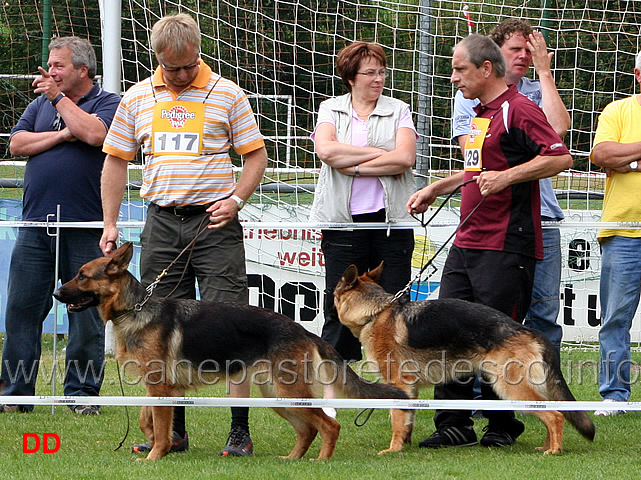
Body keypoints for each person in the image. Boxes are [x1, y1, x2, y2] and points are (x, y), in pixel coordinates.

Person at [100, 13, 267, 456]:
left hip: (216, 225)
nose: (181, 74)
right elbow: (116, 161)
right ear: (156, 57)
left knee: (233, 323)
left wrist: (237, 200)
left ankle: (239, 432)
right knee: (156, 330)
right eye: (172, 67)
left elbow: (256, 155)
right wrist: (110, 222)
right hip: (160, 222)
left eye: (189, 65)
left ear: (198, 53)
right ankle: (172, 433)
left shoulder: (228, 93)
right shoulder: (136, 97)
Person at [407, 34, 572, 449]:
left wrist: (508, 177)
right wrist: (437, 187)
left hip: (506, 243)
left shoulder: (520, 108)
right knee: (448, 332)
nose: (452, 78)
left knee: (499, 339)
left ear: (485, 69)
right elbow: (476, 171)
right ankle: (454, 423)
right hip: (467, 239)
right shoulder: (481, 115)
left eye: (459, 69)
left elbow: (560, 156)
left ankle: (502, 425)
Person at [0, 37, 120, 414]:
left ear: (82, 70)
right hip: (36, 225)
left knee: (85, 313)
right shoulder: (40, 104)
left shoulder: (109, 103)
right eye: (50, 66)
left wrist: (60, 103)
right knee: (22, 309)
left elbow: (95, 134)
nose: (50, 72)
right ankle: (16, 393)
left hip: (86, 226)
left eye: (58, 66)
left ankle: (81, 395)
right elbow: (17, 144)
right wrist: (62, 133)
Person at [309, 42, 417, 415]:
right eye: (370, 72)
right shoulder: (330, 108)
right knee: (336, 308)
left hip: (391, 226)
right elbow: (326, 152)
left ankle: (400, 397)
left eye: (382, 71)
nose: (379, 78)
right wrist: (379, 156)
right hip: (342, 224)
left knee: (396, 311)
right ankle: (330, 396)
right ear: (351, 76)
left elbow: (405, 158)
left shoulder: (398, 109)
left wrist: (352, 163)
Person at [452, 19, 571, 358]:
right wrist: (439, 187)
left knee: (542, 314)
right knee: (475, 323)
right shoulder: (472, 100)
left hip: (537, 220)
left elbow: (559, 135)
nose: (524, 56)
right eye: (515, 49)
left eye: (529, 50)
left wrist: (545, 73)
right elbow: (476, 164)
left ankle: (541, 392)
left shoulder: (525, 98)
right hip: (485, 226)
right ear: (494, 59)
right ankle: (470, 404)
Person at [589, 50, 641, 417]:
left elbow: (617, 158)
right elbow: (602, 154)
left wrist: (630, 161)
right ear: (638, 74)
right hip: (623, 231)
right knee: (615, 320)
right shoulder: (618, 110)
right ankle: (614, 395)